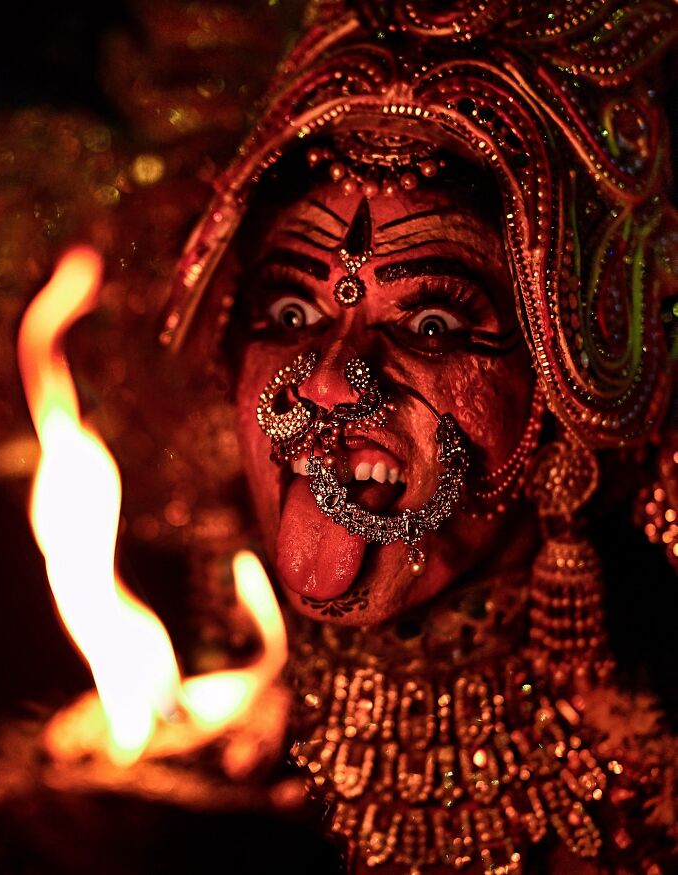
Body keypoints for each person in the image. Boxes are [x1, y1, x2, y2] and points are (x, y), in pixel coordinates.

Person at [159, 1, 678, 873]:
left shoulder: (647, 801)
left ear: (564, 389)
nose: (327, 378)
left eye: (432, 324)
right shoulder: (191, 760)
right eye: (290, 311)